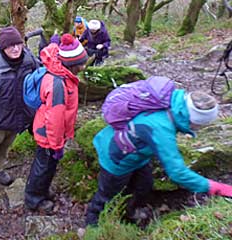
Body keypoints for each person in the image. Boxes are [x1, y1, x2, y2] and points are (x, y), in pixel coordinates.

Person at [85, 89, 232, 226]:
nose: (201, 129)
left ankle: (131, 213)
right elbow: (178, 173)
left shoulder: (174, 103)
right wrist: (217, 188)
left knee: (144, 186)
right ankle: (93, 224)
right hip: (116, 158)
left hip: (137, 153)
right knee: (107, 195)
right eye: (202, 125)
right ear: (195, 121)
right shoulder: (161, 128)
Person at [24, 34, 88, 212]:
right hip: (49, 134)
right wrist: (57, 144)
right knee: (43, 166)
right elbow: (55, 119)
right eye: (81, 63)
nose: (83, 66)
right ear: (71, 64)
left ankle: (42, 190)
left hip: (52, 132)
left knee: (48, 165)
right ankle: (33, 198)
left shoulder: (61, 71)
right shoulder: (58, 84)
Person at [0, 26, 41, 195]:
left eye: (18, 44)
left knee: (5, 148)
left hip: (18, 117)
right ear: (3, 47)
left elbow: (40, 76)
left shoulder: (29, 59)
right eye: (11, 46)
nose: (16, 49)